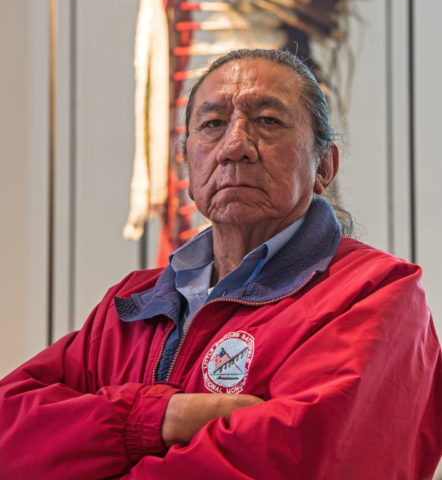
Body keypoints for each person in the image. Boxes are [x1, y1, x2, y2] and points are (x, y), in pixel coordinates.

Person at [0, 49, 440, 480]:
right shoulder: (133, 302)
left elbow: (294, 461)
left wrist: (88, 447)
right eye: (212, 124)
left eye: (268, 122)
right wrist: (157, 419)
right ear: (188, 163)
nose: (234, 147)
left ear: (323, 165)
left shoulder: (376, 294)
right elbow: (9, 432)